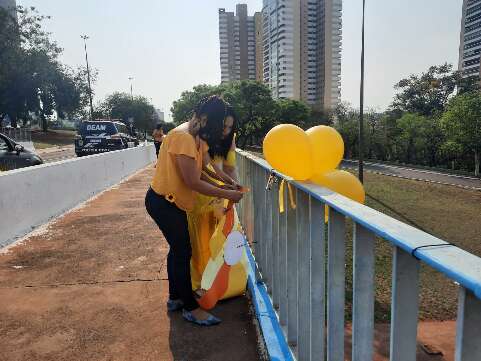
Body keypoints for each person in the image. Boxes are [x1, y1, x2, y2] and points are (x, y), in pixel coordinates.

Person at [145, 96, 243, 326]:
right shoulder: (183, 137)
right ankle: (191, 308)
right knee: (183, 252)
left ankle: (175, 298)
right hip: (163, 203)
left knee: (177, 250)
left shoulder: (196, 134)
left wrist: (225, 183)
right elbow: (193, 181)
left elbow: (203, 169)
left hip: (171, 203)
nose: (220, 132)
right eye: (218, 126)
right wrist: (228, 193)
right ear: (205, 118)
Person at [188, 105, 242, 296]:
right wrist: (225, 187)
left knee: (218, 240)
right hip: (200, 195)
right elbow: (200, 172)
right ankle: (199, 285)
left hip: (220, 195)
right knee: (199, 242)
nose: (226, 131)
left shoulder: (228, 139)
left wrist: (231, 185)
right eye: (224, 126)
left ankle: (216, 282)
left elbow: (222, 167)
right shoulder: (198, 137)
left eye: (230, 128)